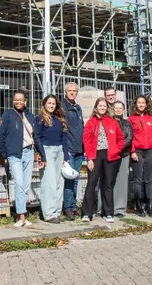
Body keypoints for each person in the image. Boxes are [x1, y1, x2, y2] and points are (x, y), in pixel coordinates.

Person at [0, 89, 38, 228]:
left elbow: (35, 136)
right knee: (19, 184)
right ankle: (21, 216)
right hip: (14, 154)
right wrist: (4, 154)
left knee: (25, 185)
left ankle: (23, 216)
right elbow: (0, 136)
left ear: (25, 101)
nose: (18, 101)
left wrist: (39, 153)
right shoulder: (8, 115)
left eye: (21, 99)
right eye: (16, 99)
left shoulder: (31, 116)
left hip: (28, 152)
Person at [81, 98, 124, 223]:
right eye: (100, 106)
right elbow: (87, 141)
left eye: (104, 106)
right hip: (95, 156)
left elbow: (120, 138)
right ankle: (86, 213)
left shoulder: (112, 122)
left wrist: (116, 150)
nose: (102, 108)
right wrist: (89, 158)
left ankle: (108, 212)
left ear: (107, 108)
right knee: (91, 183)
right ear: (96, 107)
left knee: (108, 184)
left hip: (110, 155)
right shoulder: (90, 122)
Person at [34, 94, 69, 224]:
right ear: (44, 104)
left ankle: (57, 212)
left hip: (59, 151)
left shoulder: (59, 119)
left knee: (59, 183)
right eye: (49, 103)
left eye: (53, 104)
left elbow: (64, 138)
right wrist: (42, 155)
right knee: (49, 183)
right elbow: (37, 138)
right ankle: (49, 214)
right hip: (47, 150)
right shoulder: (40, 119)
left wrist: (66, 155)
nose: (51, 106)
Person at [128, 94, 152, 217]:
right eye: (139, 103)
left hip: (150, 151)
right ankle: (138, 204)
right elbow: (129, 137)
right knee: (137, 180)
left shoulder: (150, 118)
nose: (141, 105)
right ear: (136, 104)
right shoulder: (131, 119)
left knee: (149, 179)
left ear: (146, 105)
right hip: (138, 151)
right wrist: (133, 151)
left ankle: (150, 205)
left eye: (143, 103)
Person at [61, 82, 84, 220]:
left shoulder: (78, 108)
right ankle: (68, 207)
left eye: (74, 91)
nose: (72, 93)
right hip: (69, 149)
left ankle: (73, 205)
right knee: (69, 180)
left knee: (75, 179)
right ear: (65, 91)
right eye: (69, 90)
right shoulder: (62, 108)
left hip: (79, 149)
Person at [111, 101, 132, 217]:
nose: (118, 110)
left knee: (122, 182)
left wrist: (118, 148)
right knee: (110, 181)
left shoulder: (127, 123)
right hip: (111, 154)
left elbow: (129, 138)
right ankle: (109, 206)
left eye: (120, 108)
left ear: (123, 110)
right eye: (116, 108)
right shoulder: (109, 122)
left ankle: (120, 208)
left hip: (124, 154)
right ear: (113, 109)